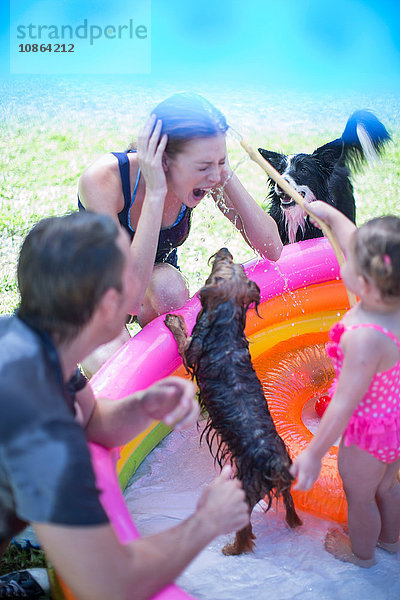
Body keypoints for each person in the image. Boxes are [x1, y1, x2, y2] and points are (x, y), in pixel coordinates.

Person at [0, 211, 250, 600]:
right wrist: (207, 520)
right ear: (107, 305)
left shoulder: (32, 342)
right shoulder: (42, 424)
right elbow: (108, 584)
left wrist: (148, 404)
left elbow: (93, 420)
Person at [78, 92, 283, 374]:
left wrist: (223, 170)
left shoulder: (209, 175)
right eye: (203, 167)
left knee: (168, 288)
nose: (213, 178)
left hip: (151, 281)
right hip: (94, 291)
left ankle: (167, 378)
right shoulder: (104, 180)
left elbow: (272, 248)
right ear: (163, 161)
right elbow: (129, 297)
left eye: (219, 161)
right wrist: (155, 194)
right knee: (110, 362)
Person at [290, 201, 400, 568]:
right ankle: (391, 540)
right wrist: (327, 213)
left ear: (365, 284)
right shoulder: (391, 304)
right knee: (387, 485)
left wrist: (313, 453)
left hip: (367, 432)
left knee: (361, 495)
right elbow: (355, 240)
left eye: (349, 261)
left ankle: (362, 554)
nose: (343, 258)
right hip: (394, 416)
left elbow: (343, 405)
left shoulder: (363, 339)